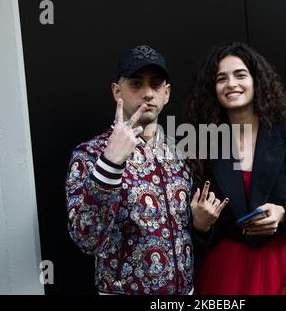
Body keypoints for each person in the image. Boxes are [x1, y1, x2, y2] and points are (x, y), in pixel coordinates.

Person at [65, 45, 229, 294]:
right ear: (116, 91)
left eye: (155, 84)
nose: (147, 93)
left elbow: (191, 239)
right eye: (136, 84)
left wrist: (200, 226)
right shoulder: (90, 153)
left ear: (167, 93)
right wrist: (111, 162)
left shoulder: (181, 154)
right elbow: (86, 240)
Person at [184, 42, 286, 294]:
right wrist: (200, 226)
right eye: (221, 78)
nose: (231, 83)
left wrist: (283, 215)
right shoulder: (204, 146)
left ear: (257, 82)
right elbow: (209, 232)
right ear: (212, 90)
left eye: (240, 75)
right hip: (227, 271)